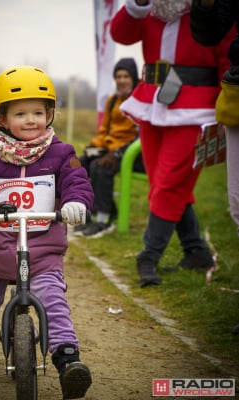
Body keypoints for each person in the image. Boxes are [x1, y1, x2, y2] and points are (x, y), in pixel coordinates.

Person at [0, 66, 93, 399]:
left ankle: (67, 360)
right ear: (1, 119)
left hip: (42, 251)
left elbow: (77, 180)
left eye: (38, 112)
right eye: (20, 113)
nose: (31, 120)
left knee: (53, 300)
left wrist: (76, 202)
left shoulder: (61, 154)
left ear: (50, 114)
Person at [110, 0, 235, 287]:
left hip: (196, 108)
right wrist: (139, 4)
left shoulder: (213, 7)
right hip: (152, 103)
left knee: (168, 185)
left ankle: (148, 256)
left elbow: (227, 58)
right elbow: (121, 34)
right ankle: (196, 251)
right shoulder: (152, 8)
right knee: (163, 184)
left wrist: (223, 109)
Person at [190, 0, 239, 334]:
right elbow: (209, 34)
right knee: (238, 207)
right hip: (236, 94)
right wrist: (205, 6)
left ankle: (186, 248)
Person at [75, 57, 144, 238]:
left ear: (134, 78)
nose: (121, 80)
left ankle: (103, 221)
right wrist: (92, 147)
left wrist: (119, 153)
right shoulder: (112, 100)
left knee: (100, 167)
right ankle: (97, 211)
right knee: (81, 164)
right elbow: (104, 131)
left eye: (126, 76)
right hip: (112, 147)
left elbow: (142, 135)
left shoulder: (141, 99)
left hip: (134, 151)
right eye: (118, 76)